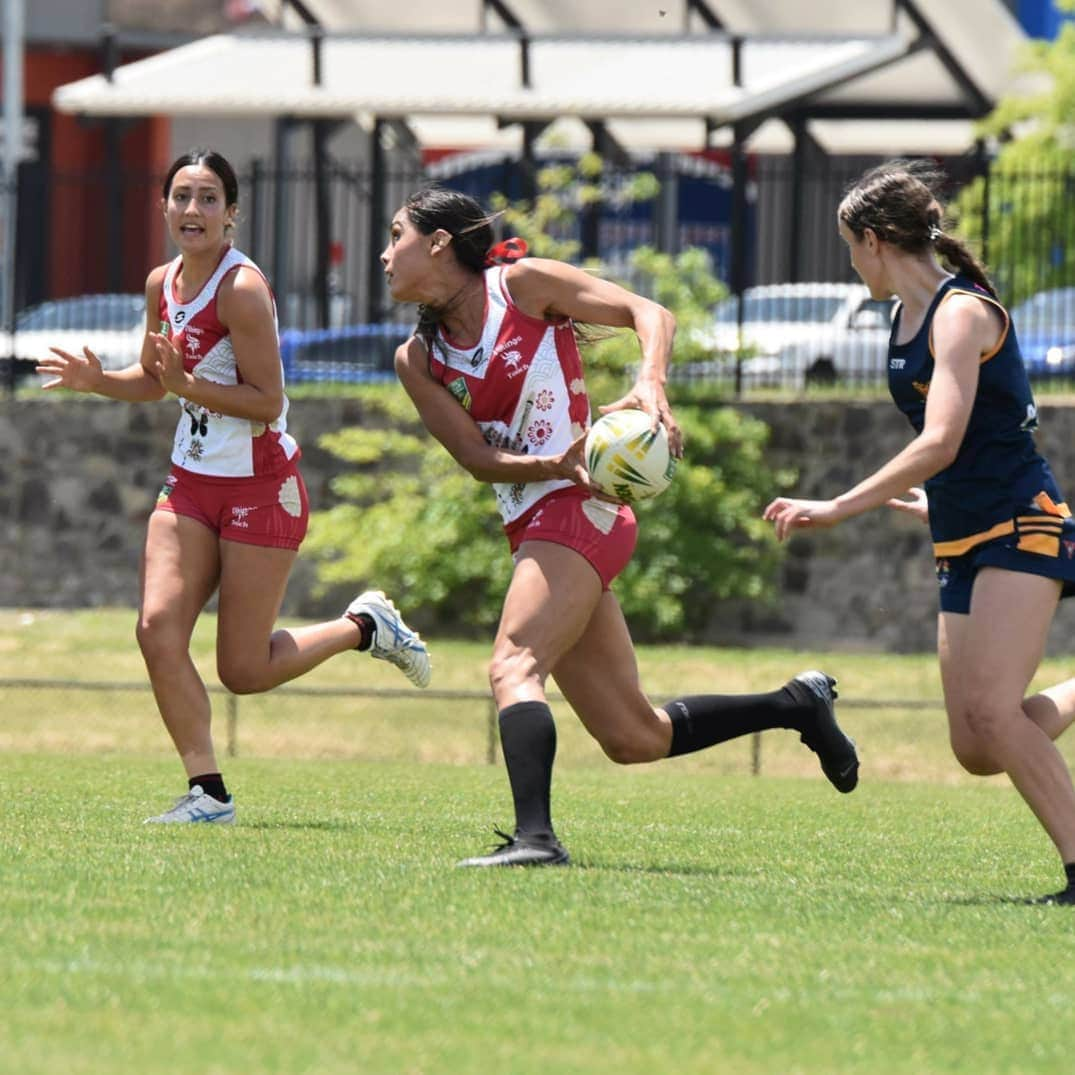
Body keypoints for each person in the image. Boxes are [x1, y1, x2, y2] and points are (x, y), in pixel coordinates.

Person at [382, 186, 859, 868]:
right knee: (633, 734)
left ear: (436, 242)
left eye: (394, 234)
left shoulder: (520, 286)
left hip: (583, 510)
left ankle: (535, 839)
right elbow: (477, 460)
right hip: (540, 515)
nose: (383, 252)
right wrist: (554, 461)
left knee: (512, 663)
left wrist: (652, 382)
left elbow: (648, 310)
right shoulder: (417, 359)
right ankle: (796, 704)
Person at [36, 148, 431, 825]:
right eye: (182, 196)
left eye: (209, 198)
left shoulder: (241, 289)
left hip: (258, 485)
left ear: (232, 215)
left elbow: (267, 399)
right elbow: (156, 381)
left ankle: (364, 626)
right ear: (163, 207)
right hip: (190, 483)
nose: (193, 209)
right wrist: (97, 380)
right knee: (157, 628)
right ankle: (208, 793)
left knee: (243, 669)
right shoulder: (162, 282)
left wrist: (186, 385)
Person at [764, 159, 1075, 904]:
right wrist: (941, 507)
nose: (848, 263)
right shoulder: (903, 319)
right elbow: (963, 447)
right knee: (974, 744)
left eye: (848, 246)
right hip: (962, 531)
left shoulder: (960, 312)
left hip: (1021, 523)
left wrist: (838, 505)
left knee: (995, 713)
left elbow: (940, 439)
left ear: (872, 240)